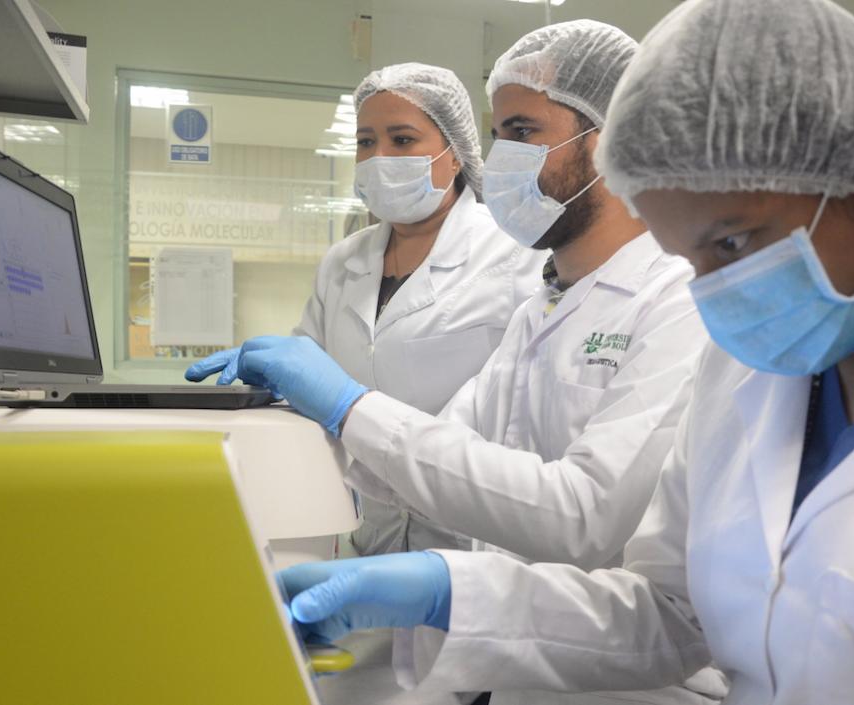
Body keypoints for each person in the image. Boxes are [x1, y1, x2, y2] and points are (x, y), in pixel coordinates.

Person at [267, 0, 854, 703]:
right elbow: (673, 615)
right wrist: (446, 592)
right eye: (686, 257)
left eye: (731, 243)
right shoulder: (752, 375)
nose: (715, 293)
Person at [194, 20, 723, 705]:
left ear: (613, 139)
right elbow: (447, 450)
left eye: (523, 131)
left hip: (642, 686)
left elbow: (583, 515)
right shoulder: (545, 307)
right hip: (520, 666)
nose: (500, 155)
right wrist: (317, 426)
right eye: (497, 130)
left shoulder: (677, 300)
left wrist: (349, 405)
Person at [188, 64, 545, 556]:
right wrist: (266, 382)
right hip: (366, 532)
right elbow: (310, 371)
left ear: (455, 152)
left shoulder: (517, 252)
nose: (379, 157)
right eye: (365, 141)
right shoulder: (343, 262)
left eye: (402, 140)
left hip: (474, 542)